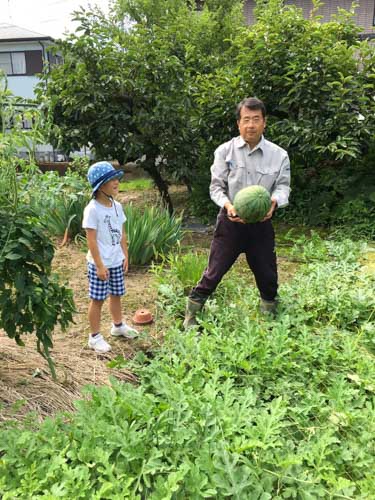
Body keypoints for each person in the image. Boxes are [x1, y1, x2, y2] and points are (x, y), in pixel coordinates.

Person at [184, 97, 291, 328]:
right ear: (238, 123)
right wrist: (229, 206)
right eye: (246, 120)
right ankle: (191, 315)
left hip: (261, 225)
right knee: (214, 271)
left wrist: (274, 202)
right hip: (230, 223)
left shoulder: (279, 155)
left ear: (264, 122)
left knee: (267, 274)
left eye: (256, 119)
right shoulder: (225, 151)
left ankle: (269, 317)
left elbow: (283, 187)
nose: (250, 125)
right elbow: (216, 187)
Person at [83, 161, 138, 353]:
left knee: (116, 295)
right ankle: (94, 336)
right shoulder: (93, 209)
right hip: (101, 263)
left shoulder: (117, 207)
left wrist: (125, 255)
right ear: (100, 186)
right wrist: (99, 265)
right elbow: (91, 240)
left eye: (117, 179)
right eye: (111, 180)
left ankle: (117, 326)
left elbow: (122, 233)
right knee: (97, 299)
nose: (117, 182)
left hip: (116, 260)